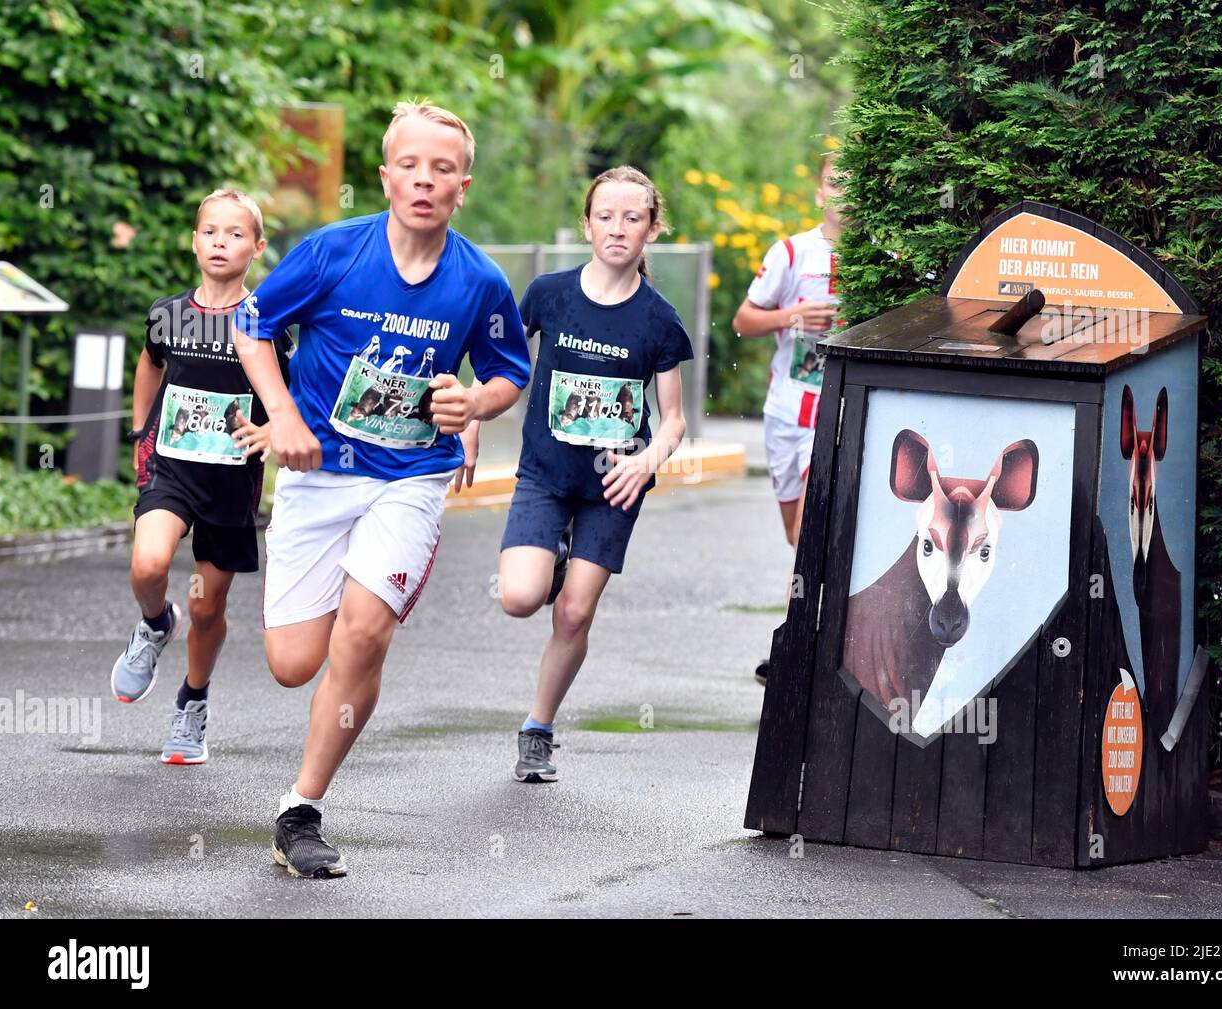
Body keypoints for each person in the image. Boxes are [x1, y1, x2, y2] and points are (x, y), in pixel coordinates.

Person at [230, 102, 530, 879]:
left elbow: (507, 373)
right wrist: (285, 415)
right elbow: (252, 322)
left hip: (411, 476)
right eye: (411, 165)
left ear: (462, 187)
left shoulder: (478, 279)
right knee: (295, 662)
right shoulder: (333, 252)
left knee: (363, 634)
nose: (425, 180)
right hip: (319, 475)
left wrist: (475, 404)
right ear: (386, 176)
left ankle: (301, 809)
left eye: (442, 169)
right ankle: (347, 619)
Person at [480, 165, 692, 784]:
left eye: (633, 218)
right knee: (520, 598)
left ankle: (537, 730)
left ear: (653, 230)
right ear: (587, 224)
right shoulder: (549, 294)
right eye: (606, 216)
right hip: (546, 473)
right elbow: (501, 365)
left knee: (573, 613)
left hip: (613, 483)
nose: (618, 228)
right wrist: (468, 422)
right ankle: (552, 560)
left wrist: (647, 460)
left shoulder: (659, 320)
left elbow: (674, 421)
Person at [111, 188, 290, 765]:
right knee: (150, 563)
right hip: (170, 470)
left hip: (232, 481)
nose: (221, 242)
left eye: (236, 234)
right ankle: (155, 622)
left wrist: (273, 435)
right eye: (210, 231)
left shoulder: (266, 323)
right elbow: (150, 363)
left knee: (209, 609)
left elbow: (291, 393)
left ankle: (192, 702)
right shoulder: (168, 314)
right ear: (194, 241)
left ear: (257, 248)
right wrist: (142, 429)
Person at [732, 152, 843, 686]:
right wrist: (793, 316)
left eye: (854, 183)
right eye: (834, 183)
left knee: (809, 535)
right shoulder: (793, 252)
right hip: (787, 413)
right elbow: (744, 321)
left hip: (841, 413)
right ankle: (810, 635)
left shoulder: (883, 257)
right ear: (820, 193)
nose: (844, 193)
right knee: (796, 535)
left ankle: (795, 649)